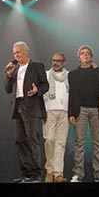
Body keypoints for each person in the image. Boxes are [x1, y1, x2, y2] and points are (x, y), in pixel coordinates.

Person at [4, 41, 49, 183]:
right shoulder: (15, 69)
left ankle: (36, 174)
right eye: (14, 53)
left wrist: (37, 91)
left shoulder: (37, 66)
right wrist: (8, 75)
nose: (16, 55)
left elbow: (45, 85)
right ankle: (26, 173)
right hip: (17, 106)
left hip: (31, 105)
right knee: (20, 140)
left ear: (26, 52)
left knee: (32, 139)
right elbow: (7, 89)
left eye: (18, 52)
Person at [68, 45, 99, 183]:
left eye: (88, 53)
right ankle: (78, 174)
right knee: (79, 143)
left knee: (97, 143)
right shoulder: (73, 74)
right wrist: (71, 113)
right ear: (78, 56)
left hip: (96, 110)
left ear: (91, 56)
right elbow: (71, 95)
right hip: (80, 110)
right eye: (82, 53)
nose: (85, 55)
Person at [42, 52, 69, 183]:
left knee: (61, 143)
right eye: (53, 60)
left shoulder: (69, 76)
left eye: (58, 60)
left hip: (64, 111)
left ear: (64, 62)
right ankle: (49, 170)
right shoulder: (46, 75)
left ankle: (58, 173)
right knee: (49, 140)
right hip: (49, 110)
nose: (55, 63)